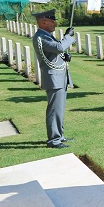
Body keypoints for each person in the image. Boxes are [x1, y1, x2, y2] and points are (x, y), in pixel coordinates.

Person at [31, 9, 76, 149]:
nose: (55, 24)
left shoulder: (47, 35)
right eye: (52, 21)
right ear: (44, 22)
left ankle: (59, 136)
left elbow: (53, 53)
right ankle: (54, 140)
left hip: (59, 77)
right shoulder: (40, 37)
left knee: (59, 109)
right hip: (53, 78)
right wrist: (67, 36)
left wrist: (64, 57)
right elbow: (59, 47)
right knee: (54, 109)